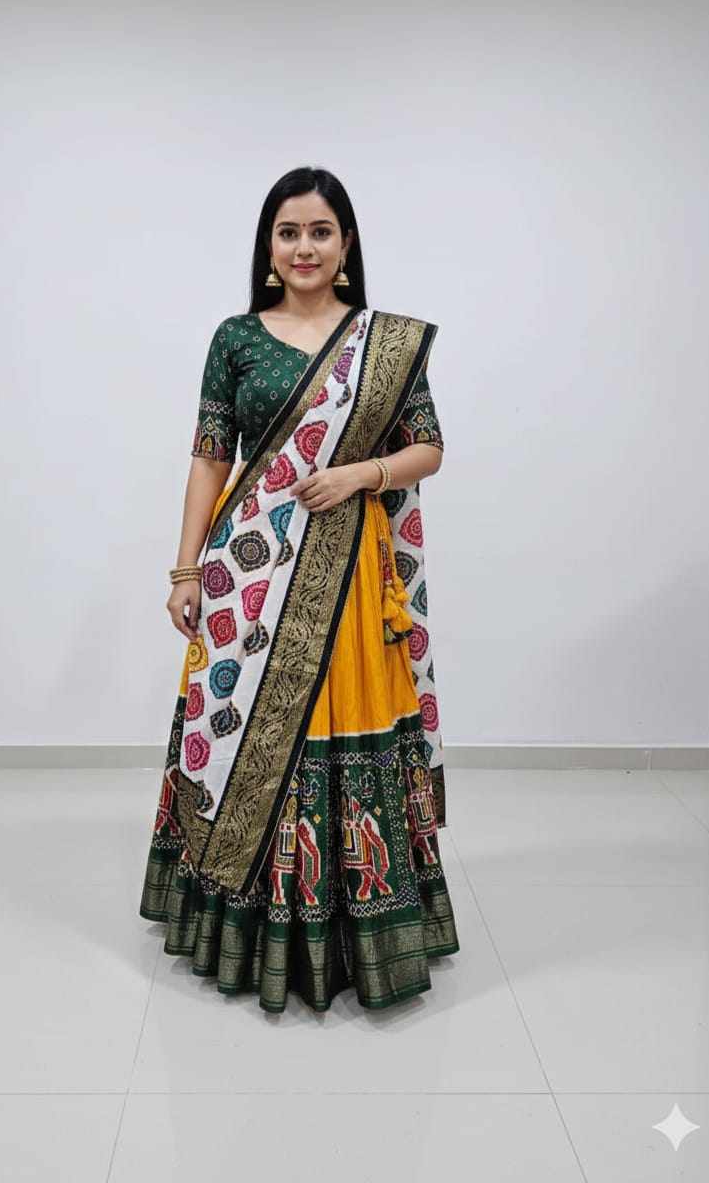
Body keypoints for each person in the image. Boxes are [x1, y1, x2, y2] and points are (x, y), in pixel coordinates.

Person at [139, 165, 459, 1013]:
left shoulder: (383, 344)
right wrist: (185, 569)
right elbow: (210, 458)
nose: (304, 247)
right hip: (250, 573)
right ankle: (241, 927)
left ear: (346, 244)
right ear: (269, 247)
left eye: (320, 231)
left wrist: (360, 474)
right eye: (289, 233)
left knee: (340, 725)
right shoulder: (236, 339)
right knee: (240, 732)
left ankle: (360, 932)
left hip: (350, 576)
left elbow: (428, 447)